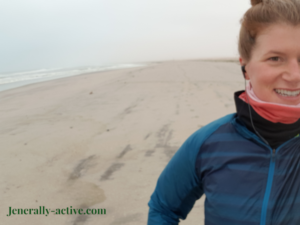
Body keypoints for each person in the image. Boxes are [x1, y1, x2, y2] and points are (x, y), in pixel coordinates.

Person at [147, 0, 300, 224]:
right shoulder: (207, 143)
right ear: (245, 66)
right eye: (275, 58)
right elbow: (163, 208)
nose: (295, 75)